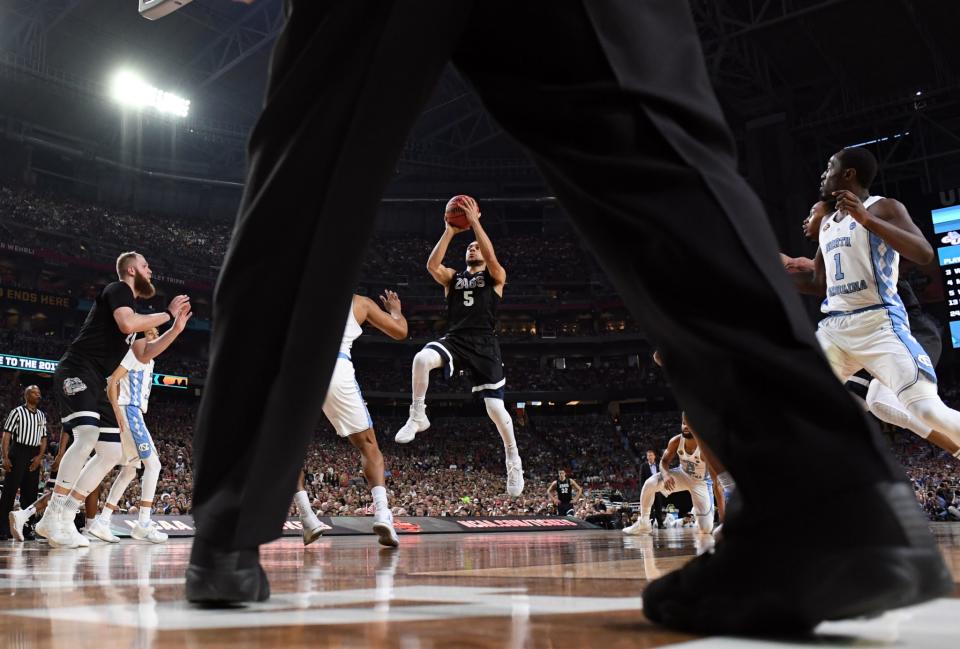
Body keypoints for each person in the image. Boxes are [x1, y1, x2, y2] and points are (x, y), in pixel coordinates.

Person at [186, 0, 951, 631]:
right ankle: (823, 491)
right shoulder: (454, 265)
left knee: (317, 162)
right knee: (647, 137)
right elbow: (434, 268)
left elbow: (490, 271)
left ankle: (231, 517)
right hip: (465, 344)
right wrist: (455, 231)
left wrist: (473, 228)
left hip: (485, 353)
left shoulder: (490, 269)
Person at [781, 148, 960, 459]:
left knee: (926, 410)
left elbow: (925, 255)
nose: (824, 174)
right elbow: (817, 283)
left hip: (879, 324)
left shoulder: (883, 207)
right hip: (836, 329)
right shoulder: (826, 223)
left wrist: (864, 219)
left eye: (830, 167)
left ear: (848, 173)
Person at [36, 251, 189, 549]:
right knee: (88, 435)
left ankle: (64, 518)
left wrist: (175, 329)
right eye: (147, 266)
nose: (151, 271)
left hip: (99, 378)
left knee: (111, 452)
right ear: (132, 270)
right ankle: (53, 515)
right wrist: (167, 313)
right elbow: (126, 324)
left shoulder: (135, 312)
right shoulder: (118, 290)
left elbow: (145, 353)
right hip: (78, 367)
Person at [394, 197, 523, 500]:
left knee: (494, 408)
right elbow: (431, 265)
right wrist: (451, 230)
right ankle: (417, 415)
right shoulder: (453, 278)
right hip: (456, 338)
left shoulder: (495, 276)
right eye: (470, 246)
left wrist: (475, 221)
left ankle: (513, 458)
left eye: (475, 246)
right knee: (421, 358)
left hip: (485, 345)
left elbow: (491, 256)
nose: (472, 248)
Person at [286, 291, 408, 552]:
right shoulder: (359, 302)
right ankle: (383, 515)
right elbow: (400, 331)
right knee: (368, 445)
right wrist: (395, 310)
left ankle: (308, 518)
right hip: (335, 366)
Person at [86, 319, 191, 544]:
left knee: (130, 470)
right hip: (128, 410)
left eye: (155, 334)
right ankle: (143, 523)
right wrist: (116, 410)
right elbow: (112, 381)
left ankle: (103, 521)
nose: (153, 338)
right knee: (154, 465)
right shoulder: (134, 354)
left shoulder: (148, 360)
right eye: (148, 334)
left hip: (131, 411)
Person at [624, 413, 723, 536]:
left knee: (706, 529)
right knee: (650, 483)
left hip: (700, 482)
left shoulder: (706, 447)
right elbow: (664, 461)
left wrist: (724, 522)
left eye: (689, 424)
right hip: (682, 474)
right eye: (683, 423)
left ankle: (698, 511)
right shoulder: (676, 441)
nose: (685, 426)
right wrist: (665, 475)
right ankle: (644, 523)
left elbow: (717, 485)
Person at [1, 386, 47, 541]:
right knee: (9, 491)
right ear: (27, 395)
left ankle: (27, 529)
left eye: (39, 393)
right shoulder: (17, 412)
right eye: (35, 393)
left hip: (33, 453)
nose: (38, 395)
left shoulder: (41, 415)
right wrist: (5, 457)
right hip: (18, 451)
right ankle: (3, 529)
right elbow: (7, 435)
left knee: (31, 493)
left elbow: (44, 438)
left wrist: (40, 456)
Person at [639, 450, 665, 528]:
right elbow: (641, 479)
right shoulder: (643, 466)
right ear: (647, 457)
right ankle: (649, 525)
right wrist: (643, 490)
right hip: (648, 490)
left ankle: (660, 524)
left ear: (654, 456)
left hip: (657, 489)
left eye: (651, 455)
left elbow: (662, 477)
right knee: (649, 508)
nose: (650, 457)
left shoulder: (659, 466)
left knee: (658, 507)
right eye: (648, 455)